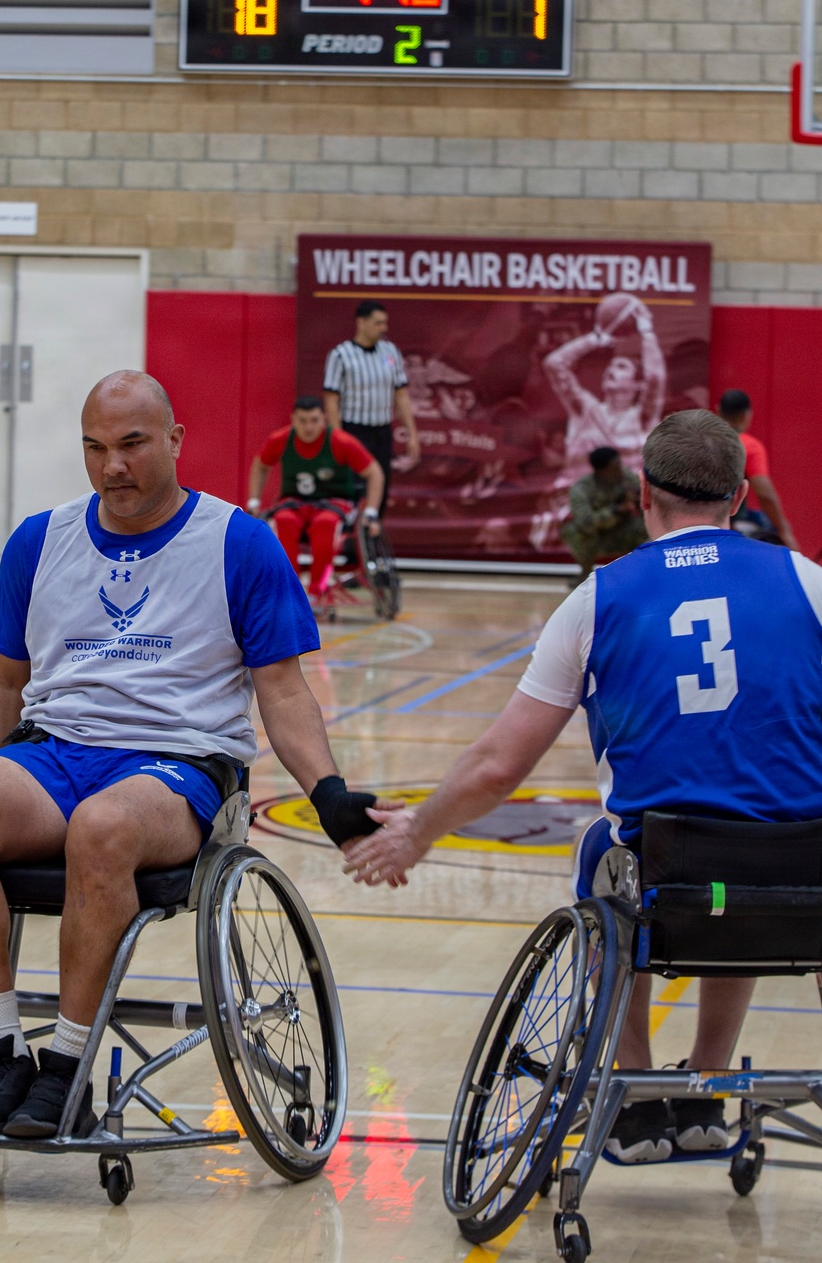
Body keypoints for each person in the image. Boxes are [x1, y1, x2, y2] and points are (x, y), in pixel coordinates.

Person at [343, 408, 822, 1165]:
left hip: (665, 870)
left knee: (609, 849)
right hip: (796, 879)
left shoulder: (600, 597)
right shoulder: (807, 582)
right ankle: (712, 1076)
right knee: (757, 841)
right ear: (738, 499)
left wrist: (416, 830)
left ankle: (633, 1088)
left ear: (642, 494)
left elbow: (501, 763)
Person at [0, 370, 381, 1140]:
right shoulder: (40, 540)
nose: (114, 467)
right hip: (58, 752)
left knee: (102, 829)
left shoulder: (238, 541)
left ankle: (66, 1068)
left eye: (133, 444)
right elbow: (4, 684)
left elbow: (283, 689)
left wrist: (328, 789)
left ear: (174, 440)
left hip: (180, 762)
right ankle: (2, 1056)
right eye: (95, 448)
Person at [247, 396, 384, 603]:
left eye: (314, 420)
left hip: (334, 503)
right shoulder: (281, 439)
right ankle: (289, 592)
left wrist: (371, 512)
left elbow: (374, 473)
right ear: (293, 419)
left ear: (324, 419)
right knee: (283, 521)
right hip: (295, 502)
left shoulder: (340, 441)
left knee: (325, 524)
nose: (308, 427)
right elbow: (260, 465)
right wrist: (253, 502)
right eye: (302, 420)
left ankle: (316, 592)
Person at [543, 295, 666, 486]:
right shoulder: (585, 408)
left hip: (621, 508)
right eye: (610, 366)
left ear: (637, 385)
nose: (611, 369)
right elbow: (554, 364)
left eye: (621, 366)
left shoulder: (643, 418)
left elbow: (655, 378)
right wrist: (594, 339)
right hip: (576, 506)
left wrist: (647, 332)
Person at [322, 299, 420, 516]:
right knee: (356, 487)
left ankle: (374, 534)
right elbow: (331, 399)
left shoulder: (390, 352)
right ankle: (351, 542)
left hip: (382, 430)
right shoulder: (340, 354)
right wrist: (338, 437)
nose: (383, 328)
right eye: (378, 323)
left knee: (381, 485)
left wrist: (412, 433)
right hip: (354, 430)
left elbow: (401, 394)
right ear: (361, 322)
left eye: (384, 323)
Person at [718, 388, 799, 551]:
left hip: (697, 521)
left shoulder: (701, 441)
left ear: (717, 411)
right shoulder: (749, 446)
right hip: (730, 523)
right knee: (768, 526)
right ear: (746, 415)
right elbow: (765, 495)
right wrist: (785, 532)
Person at [561, 445, 646, 581]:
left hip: (624, 529)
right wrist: (615, 510)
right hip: (597, 537)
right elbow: (585, 523)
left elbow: (645, 504)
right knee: (572, 530)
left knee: (648, 528)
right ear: (602, 470)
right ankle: (585, 573)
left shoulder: (627, 477)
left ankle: (642, 573)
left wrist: (638, 500)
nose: (620, 469)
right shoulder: (581, 489)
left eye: (620, 464)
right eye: (615, 466)